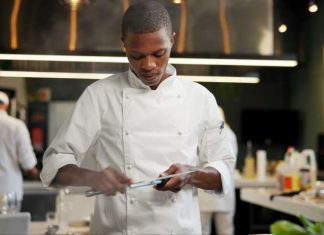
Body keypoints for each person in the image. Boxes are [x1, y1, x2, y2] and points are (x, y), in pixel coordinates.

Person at [40, 1, 235, 234]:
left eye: (159, 53)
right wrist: (93, 177)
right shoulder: (99, 95)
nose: (149, 65)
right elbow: (54, 164)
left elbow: (222, 171)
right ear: (124, 45)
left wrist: (190, 175)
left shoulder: (200, 98)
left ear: (172, 40)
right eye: (137, 55)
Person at [198, 106, 238, 235]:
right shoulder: (230, 134)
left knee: (202, 230)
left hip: (205, 191)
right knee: (226, 230)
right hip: (224, 191)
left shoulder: (203, 134)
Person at [0, 91, 39, 212]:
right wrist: (36, 173)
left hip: (8, 190)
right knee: (10, 229)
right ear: (6, 105)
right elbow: (28, 163)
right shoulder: (16, 126)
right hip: (8, 190)